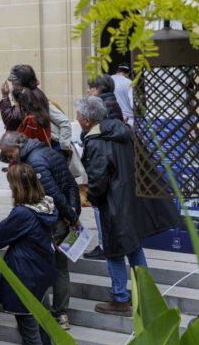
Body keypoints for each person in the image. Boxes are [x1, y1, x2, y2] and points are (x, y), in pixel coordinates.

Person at [76, 95, 179, 316]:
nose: (76, 118)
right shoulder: (121, 130)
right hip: (130, 199)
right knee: (133, 247)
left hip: (114, 204)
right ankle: (146, 296)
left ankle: (120, 298)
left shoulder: (97, 140)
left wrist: (91, 197)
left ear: (86, 120)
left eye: (78, 115)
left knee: (114, 250)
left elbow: (98, 180)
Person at [0, 163, 59, 345]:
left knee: (29, 332)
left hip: (25, 276)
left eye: (11, 184)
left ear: (17, 187)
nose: (9, 188)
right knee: (42, 320)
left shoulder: (23, 214)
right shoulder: (47, 205)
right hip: (42, 271)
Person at [0, 131, 79, 329]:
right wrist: (73, 210)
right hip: (61, 217)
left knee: (45, 268)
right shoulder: (48, 151)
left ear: (17, 147)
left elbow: (52, 194)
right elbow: (70, 184)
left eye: (9, 155)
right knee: (61, 268)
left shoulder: (34, 161)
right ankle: (61, 314)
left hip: (51, 221)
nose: (10, 160)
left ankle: (45, 315)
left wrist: (71, 216)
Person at [0, 64, 52, 132]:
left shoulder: (28, 96)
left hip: (26, 137)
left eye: (12, 81)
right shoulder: (35, 92)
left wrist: (5, 96)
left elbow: (10, 119)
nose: (12, 84)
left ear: (18, 82)